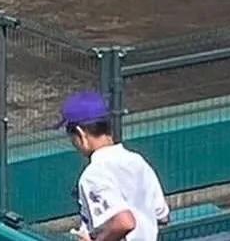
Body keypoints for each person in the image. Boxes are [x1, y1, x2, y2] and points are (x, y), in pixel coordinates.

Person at [54, 90, 170, 241]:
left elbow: (124, 222)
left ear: (80, 134)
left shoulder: (93, 175)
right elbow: (162, 216)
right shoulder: (137, 161)